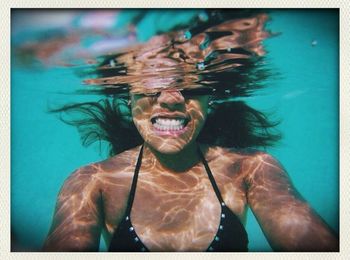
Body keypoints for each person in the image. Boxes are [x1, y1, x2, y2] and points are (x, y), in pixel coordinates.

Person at [43, 10, 338, 252]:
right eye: (152, 85)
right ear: (128, 97)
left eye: (190, 85)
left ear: (211, 98)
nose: (171, 98)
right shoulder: (92, 183)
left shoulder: (251, 169)